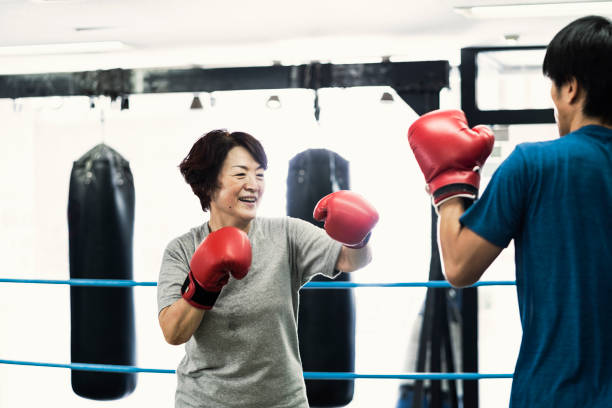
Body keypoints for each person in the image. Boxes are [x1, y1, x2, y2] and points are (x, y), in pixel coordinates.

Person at [407, 15, 612, 408]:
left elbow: (459, 267)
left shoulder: (532, 165)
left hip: (553, 394)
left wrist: (449, 185)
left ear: (570, 89)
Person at [157, 129, 378, 408]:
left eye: (260, 174)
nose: (253, 184)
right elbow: (173, 333)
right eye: (241, 174)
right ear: (208, 184)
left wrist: (359, 236)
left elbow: (352, 260)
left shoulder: (286, 234)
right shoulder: (182, 249)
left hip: (283, 401)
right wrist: (203, 283)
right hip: (204, 401)